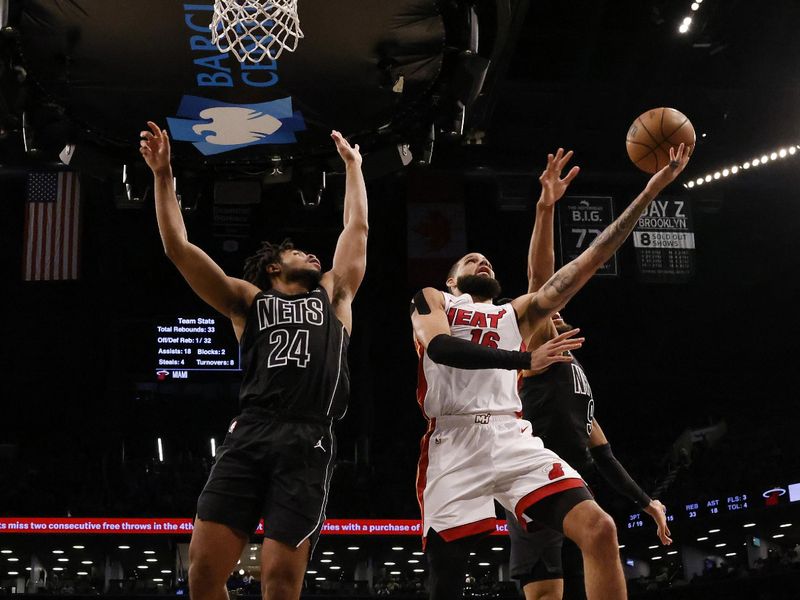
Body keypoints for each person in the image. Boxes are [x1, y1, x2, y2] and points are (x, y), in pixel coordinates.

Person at [410, 144, 690, 600]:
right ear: (451, 280)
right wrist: (525, 360)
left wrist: (649, 191)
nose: (483, 261)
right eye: (470, 260)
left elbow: (583, 264)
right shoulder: (434, 300)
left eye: (488, 260)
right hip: (454, 440)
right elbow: (441, 348)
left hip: (511, 436)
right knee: (445, 579)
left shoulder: (515, 315)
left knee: (600, 528)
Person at [139, 122, 368, 600]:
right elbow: (178, 250)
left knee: (281, 582)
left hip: (309, 435)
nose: (311, 253)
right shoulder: (248, 300)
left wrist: (354, 167)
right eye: (297, 250)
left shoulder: (334, 294)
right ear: (272, 267)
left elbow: (357, 228)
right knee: (202, 573)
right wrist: (163, 176)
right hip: (252, 429)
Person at [505, 148, 672, 600]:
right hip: (529, 473)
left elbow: (605, 456)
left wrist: (647, 501)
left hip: (568, 477)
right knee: (546, 593)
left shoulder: (575, 371)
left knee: (601, 534)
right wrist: (546, 207)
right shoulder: (539, 345)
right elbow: (540, 278)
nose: (553, 310)